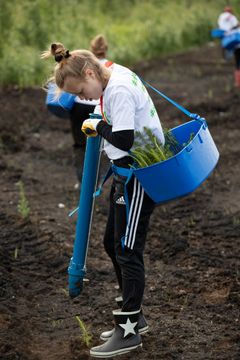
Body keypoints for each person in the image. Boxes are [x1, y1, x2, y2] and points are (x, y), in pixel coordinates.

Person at [41, 42, 165, 358]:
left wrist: (96, 123)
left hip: (140, 174)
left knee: (127, 249)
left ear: (91, 71)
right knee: (113, 244)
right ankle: (134, 318)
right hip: (125, 173)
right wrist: (97, 112)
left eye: (82, 90)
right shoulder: (109, 73)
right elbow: (105, 107)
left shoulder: (118, 89)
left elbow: (123, 137)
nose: (83, 98)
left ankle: (129, 334)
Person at [47, 35, 109, 182]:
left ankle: (84, 180)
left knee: (80, 144)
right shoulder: (106, 65)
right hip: (99, 108)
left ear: (92, 48)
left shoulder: (80, 62)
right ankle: (99, 179)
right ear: (105, 50)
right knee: (102, 143)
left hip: (79, 109)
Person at [218, 6, 240, 86]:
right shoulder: (232, 17)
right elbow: (236, 25)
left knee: (237, 63)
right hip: (237, 39)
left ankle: (237, 82)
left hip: (230, 41)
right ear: (231, 11)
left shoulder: (221, 16)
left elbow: (221, 28)